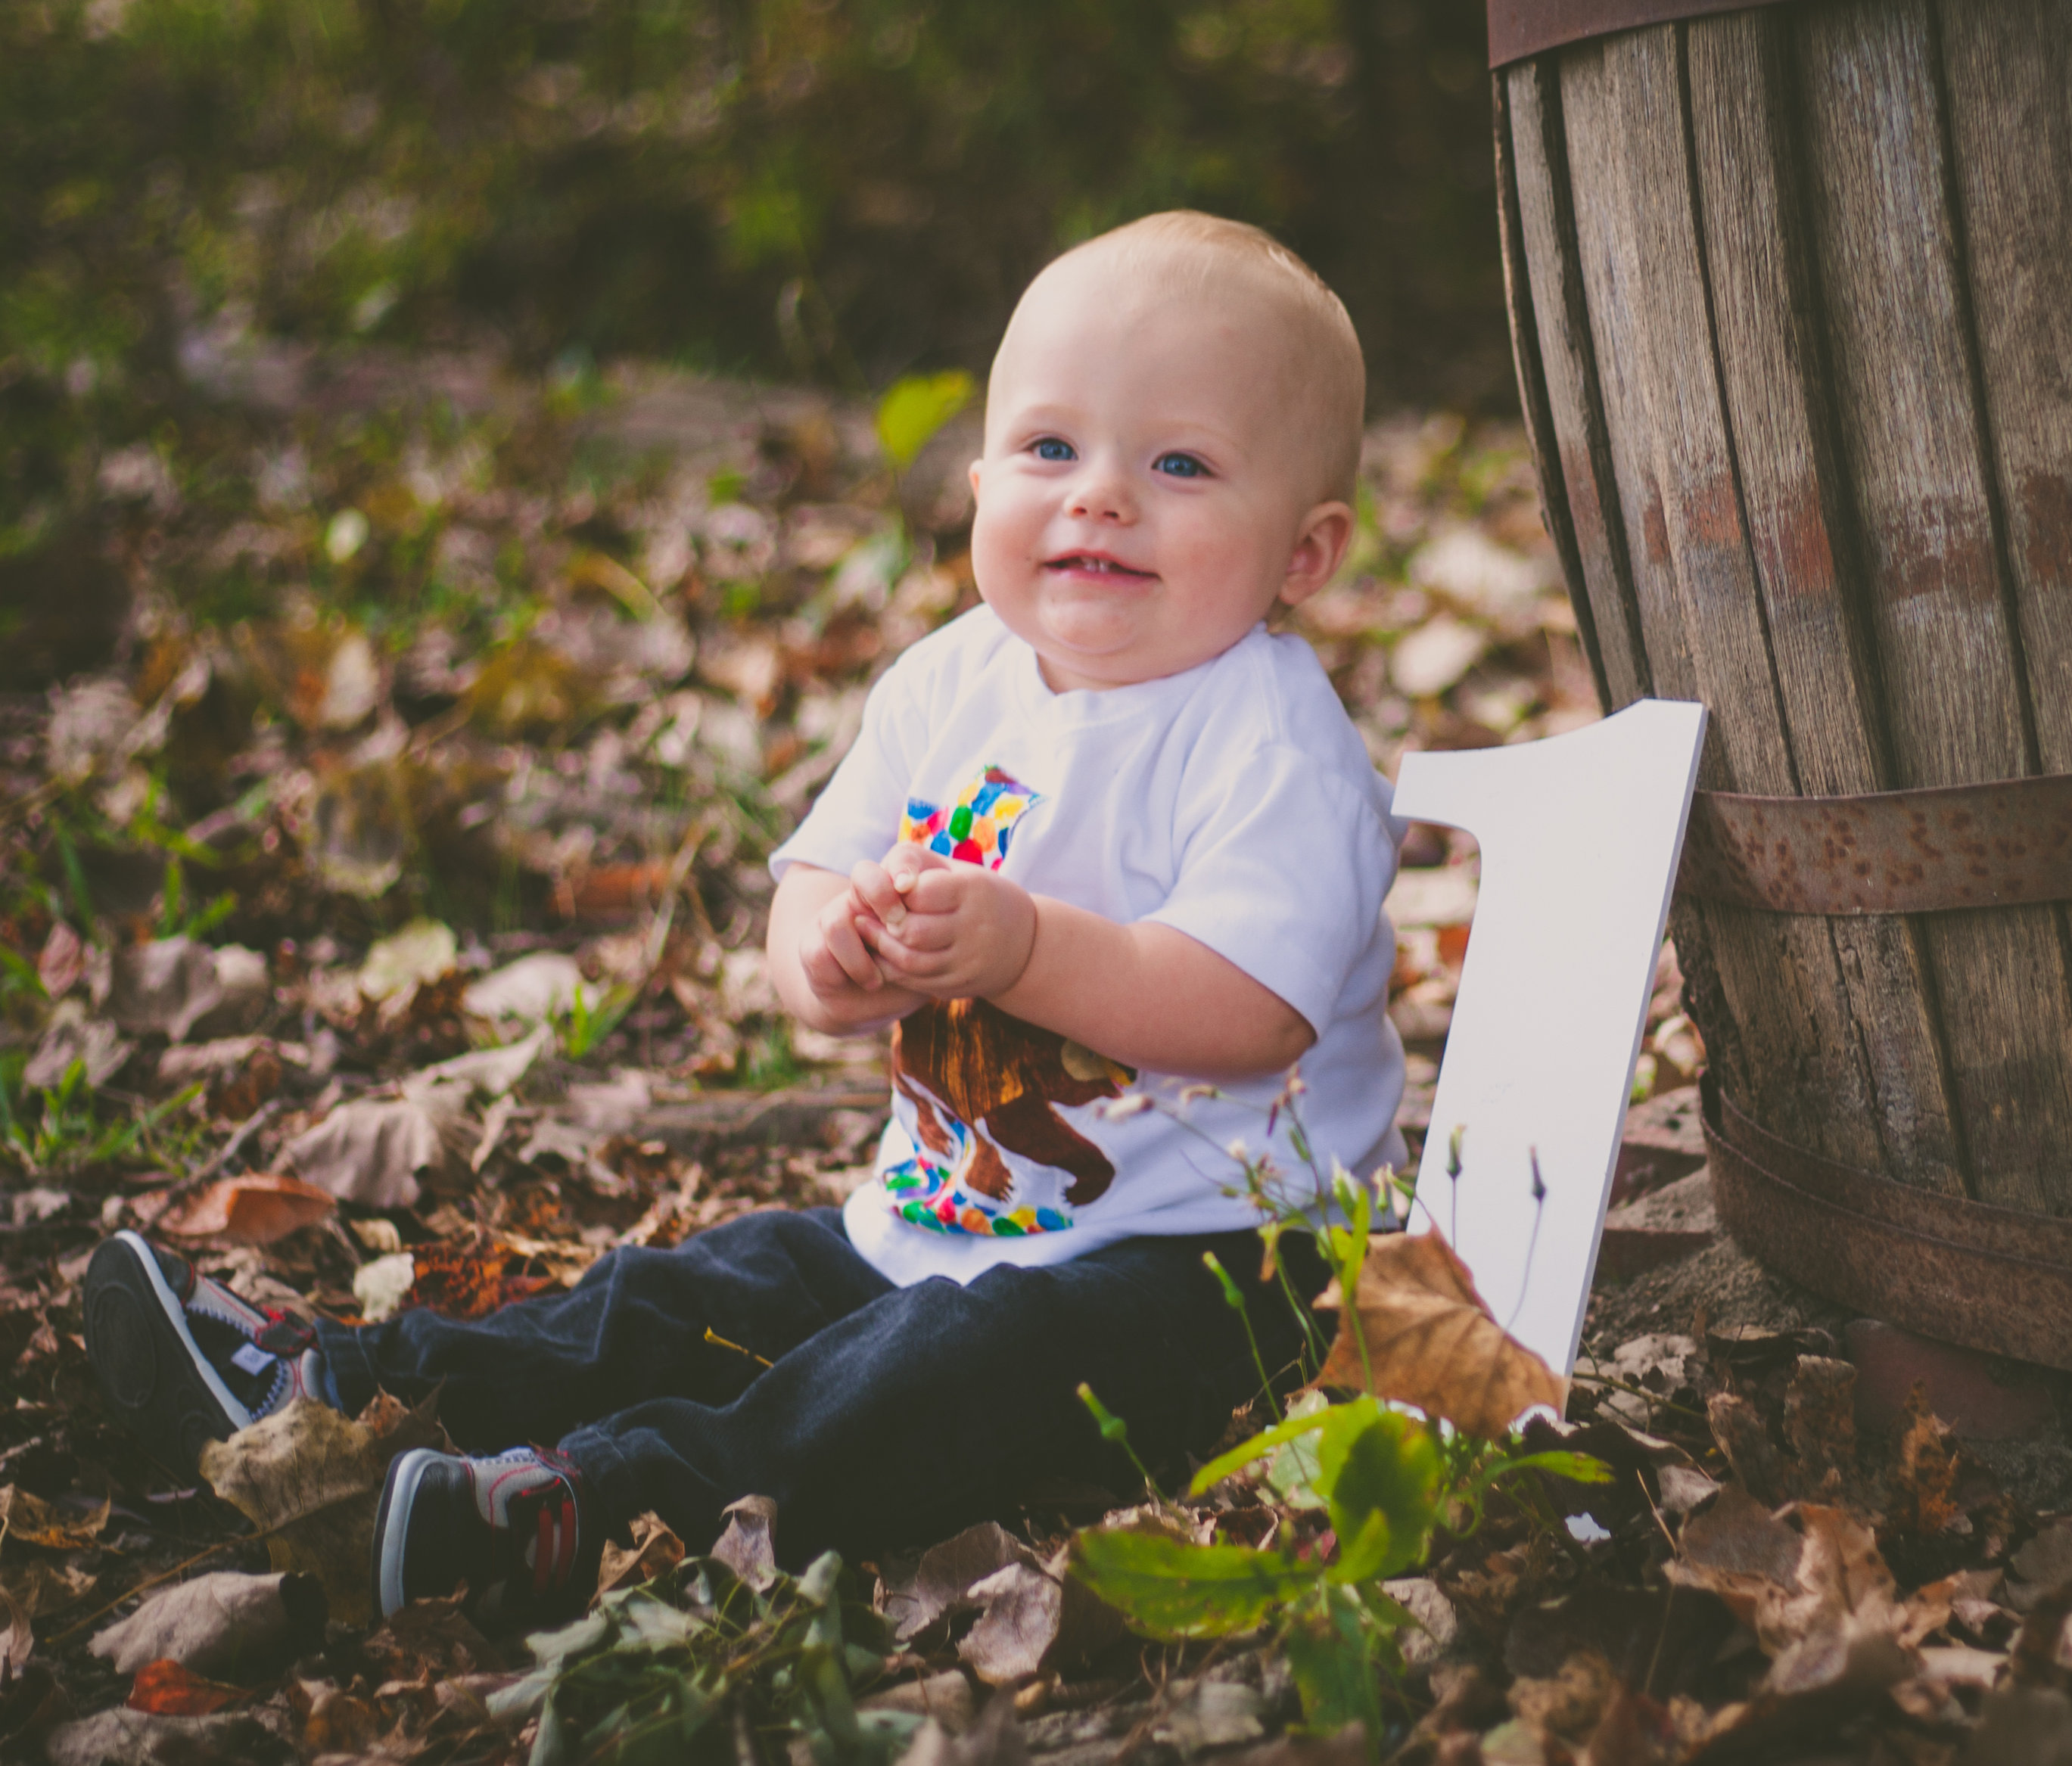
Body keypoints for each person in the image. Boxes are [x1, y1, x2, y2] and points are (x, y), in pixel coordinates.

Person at [82, 211, 1406, 1626]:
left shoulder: (1269, 738)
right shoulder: (951, 683)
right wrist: (829, 957)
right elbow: (811, 887)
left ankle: (588, 1508)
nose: (1099, 498)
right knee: (700, 1289)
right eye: (1049, 448)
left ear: (1304, 552)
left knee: (943, 1375)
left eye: (1179, 465)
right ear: (978, 484)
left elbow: (1254, 1008)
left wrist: (1026, 947)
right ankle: (333, 1391)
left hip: (1217, 1274)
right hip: (935, 1225)